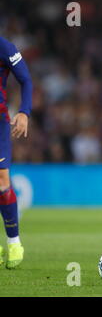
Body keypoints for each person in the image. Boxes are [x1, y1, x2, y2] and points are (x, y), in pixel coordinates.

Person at [0, 36, 33, 269]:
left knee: (2, 182)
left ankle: (14, 242)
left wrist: (24, 111)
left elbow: (26, 79)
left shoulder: (4, 47)